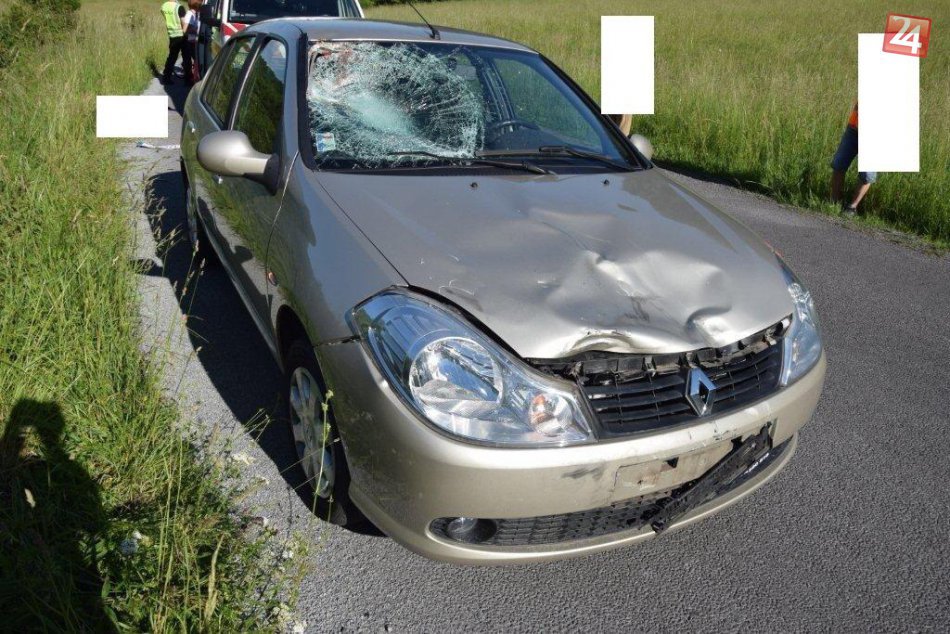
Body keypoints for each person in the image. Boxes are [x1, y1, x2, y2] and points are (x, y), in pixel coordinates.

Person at [830, 102, 876, 216]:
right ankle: (834, 202)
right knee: (839, 164)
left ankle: (852, 208)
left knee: (867, 174)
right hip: (854, 128)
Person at [160, 0, 187, 85]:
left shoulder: (164, 6)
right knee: (186, 56)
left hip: (172, 34)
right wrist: (185, 34)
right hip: (181, 34)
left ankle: (166, 77)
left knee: (172, 56)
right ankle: (188, 78)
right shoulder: (179, 7)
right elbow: (184, 23)